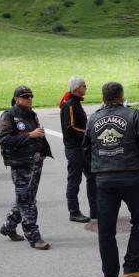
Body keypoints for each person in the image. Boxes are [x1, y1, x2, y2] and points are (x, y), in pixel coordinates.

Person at [84, 82, 139, 277]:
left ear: (103, 98)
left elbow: (85, 149)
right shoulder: (134, 115)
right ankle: (132, 266)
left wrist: (97, 169)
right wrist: (138, 159)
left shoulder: (93, 118)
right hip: (131, 177)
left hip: (104, 180)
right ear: (122, 97)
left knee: (106, 229)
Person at [0, 86, 53, 250]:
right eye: (25, 96)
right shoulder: (9, 115)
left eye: (30, 96)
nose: (29, 98)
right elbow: (4, 139)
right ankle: (33, 237)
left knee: (24, 198)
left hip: (35, 162)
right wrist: (30, 135)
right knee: (28, 202)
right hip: (20, 164)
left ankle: (8, 226)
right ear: (16, 99)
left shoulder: (31, 114)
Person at [60, 76, 97, 223]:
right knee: (74, 181)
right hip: (75, 148)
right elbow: (71, 127)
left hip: (82, 147)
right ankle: (74, 212)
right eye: (84, 86)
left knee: (92, 177)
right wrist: (89, 133)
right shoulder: (70, 104)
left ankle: (95, 209)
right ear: (76, 88)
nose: (85, 88)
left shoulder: (75, 103)